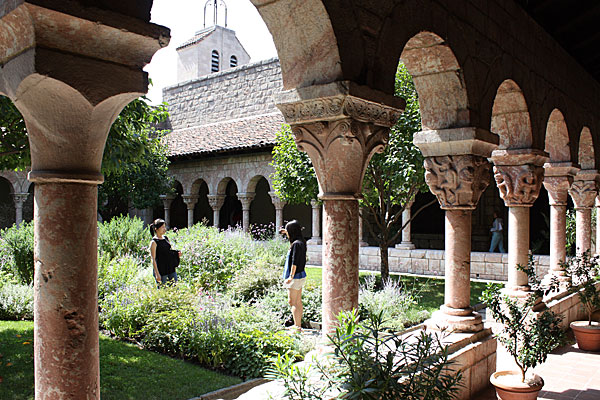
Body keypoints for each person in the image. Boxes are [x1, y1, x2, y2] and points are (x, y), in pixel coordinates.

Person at [280, 220, 307, 332]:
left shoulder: (296, 244)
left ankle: (297, 327)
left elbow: (294, 261)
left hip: (295, 276)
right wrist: (285, 231)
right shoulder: (301, 242)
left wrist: (291, 276)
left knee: (293, 302)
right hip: (301, 275)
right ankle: (298, 325)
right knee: (298, 301)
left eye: (288, 231)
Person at [149, 218, 181, 286]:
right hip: (161, 271)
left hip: (171, 269)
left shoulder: (165, 238)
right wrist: (157, 274)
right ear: (156, 228)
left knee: (175, 289)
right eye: (162, 227)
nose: (164, 229)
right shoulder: (154, 242)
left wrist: (176, 254)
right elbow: (153, 259)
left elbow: (167, 252)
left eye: (165, 226)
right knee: (163, 291)